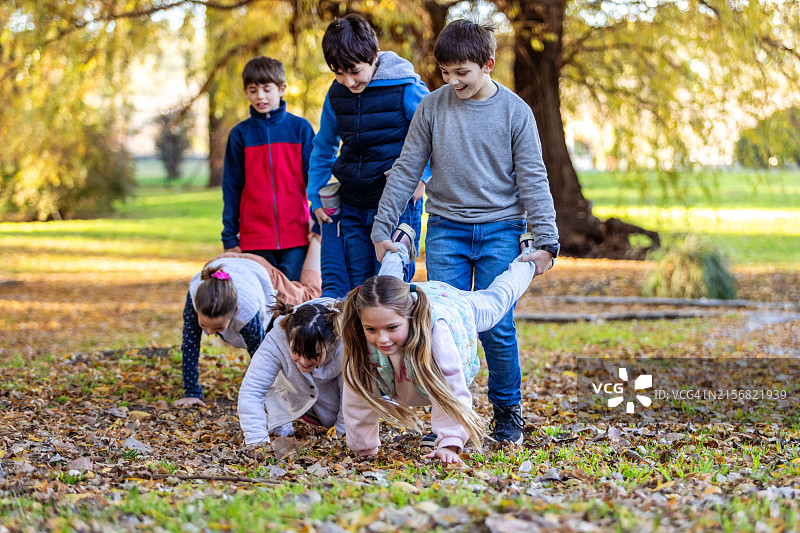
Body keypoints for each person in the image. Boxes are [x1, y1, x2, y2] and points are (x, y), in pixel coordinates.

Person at [370, 20, 560, 444]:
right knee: (439, 325)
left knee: (497, 327)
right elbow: (407, 169)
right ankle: (447, 415)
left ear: (488, 64)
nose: (453, 81)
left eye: (462, 73)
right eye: (445, 72)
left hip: (501, 228)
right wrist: (382, 229)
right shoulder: (432, 107)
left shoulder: (515, 112)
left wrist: (547, 241)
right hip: (446, 229)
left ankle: (507, 413)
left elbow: (533, 177)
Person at [340, 236, 539, 463]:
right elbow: (357, 395)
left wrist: (450, 444)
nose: (382, 338)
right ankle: (398, 248)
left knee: (497, 302)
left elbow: (451, 388)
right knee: (385, 286)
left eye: (392, 328)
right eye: (371, 329)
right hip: (403, 301)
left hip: (454, 305)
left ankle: (529, 259)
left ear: (410, 317)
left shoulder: (436, 332)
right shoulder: (363, 334)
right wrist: (363, 449)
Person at [307, 13, 431, 296]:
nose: (348, 81)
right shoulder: (336, 95)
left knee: (390, 289)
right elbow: (324, 146)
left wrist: (422, 177)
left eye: (354, 70)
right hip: (352, 204)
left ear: (374, 56)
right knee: (359, 288)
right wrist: (315, 196)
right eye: (339, 73)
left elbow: (435, 133)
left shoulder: (406, 88)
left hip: (397, 204)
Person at [176, 235, 322, 408]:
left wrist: (269, 398)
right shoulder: (197, 297)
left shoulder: (247, 311)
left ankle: (317, 239)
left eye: (218, 327)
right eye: (203, 325)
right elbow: (190, 343)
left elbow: (261, 356)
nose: (209, 332)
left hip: (258, 269)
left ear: (236, 311)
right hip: (220, 266)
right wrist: (191, 392)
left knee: (310, 297)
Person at [221, 56, 315, 281]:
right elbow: (231, 188)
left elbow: (315, 180)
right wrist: (229, 237)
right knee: (261, 297)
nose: (260, 96)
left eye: (266, 89)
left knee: (295, 297)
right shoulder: (239, 135)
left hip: (297, 237)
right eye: (253, 90)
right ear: (245, 92)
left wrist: (317, 222)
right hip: (254, 240)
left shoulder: (300, 129)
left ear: (282, 89)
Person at [237, 297, 345, 445]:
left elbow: (352, 393)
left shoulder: (345, 344)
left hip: (333, 402)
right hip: (290, 393)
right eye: (296, 352)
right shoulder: (276, 339)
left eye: (315, 355)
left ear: (333, 342)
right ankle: (283, 421)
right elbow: (252, 389)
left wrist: (341, 430)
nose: (304, 362)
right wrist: (256, 439)